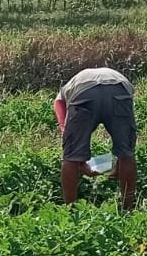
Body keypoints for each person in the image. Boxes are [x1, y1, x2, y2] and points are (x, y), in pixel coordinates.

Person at [54, 67, 137, 211]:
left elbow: (59, 103)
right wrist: (121, 163)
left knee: (70, 157)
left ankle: (70, 210)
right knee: (127, 153)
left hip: (84, 93)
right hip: (119, 89)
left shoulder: (67, 89)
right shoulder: (111, 75)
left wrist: (65, 132)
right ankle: (127, 208)